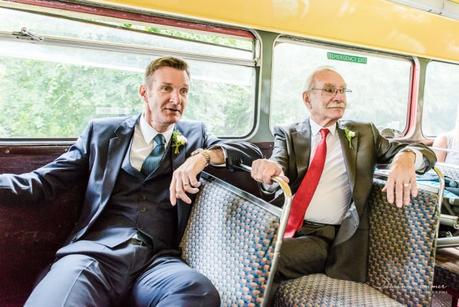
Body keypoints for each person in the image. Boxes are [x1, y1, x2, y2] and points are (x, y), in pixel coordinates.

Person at [0, 56, 262, 307]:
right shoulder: (101, 132)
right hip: (94, 254)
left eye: (184, 91)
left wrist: (203, 157)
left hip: (157, 261)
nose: (176, 99)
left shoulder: (196, 134)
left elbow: (251, 153)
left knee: (198, 290)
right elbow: (42, 183)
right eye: (166, 89)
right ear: (144, 92)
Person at [250, 66, 436, 285]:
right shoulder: (288, 133)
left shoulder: (364, 133)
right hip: (282, 224)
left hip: (327, 237)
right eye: (329, 90)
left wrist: (406, 158)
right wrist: (270, 172)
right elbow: (277, 165)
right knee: (242, 248)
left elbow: (425, 152)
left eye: (342, 91)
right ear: (307, 99)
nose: (339, 97)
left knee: (262, 258)